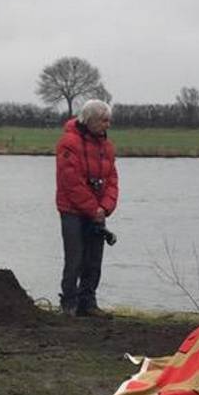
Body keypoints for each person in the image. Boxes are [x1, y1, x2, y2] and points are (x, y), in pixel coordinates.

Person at [56, 99, 118, 318]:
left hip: (98, 211)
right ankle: (69, 303)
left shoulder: (107, 147)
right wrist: (95, 209)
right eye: (104, 120)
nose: (107, 125)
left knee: (94, 259)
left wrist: (106, 207)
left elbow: (112, 179)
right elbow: (70, 181)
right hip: (72, 211)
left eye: (109, 121)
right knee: (74, 258)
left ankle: (88, 302)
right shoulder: (68, 143)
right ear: (90, 120)